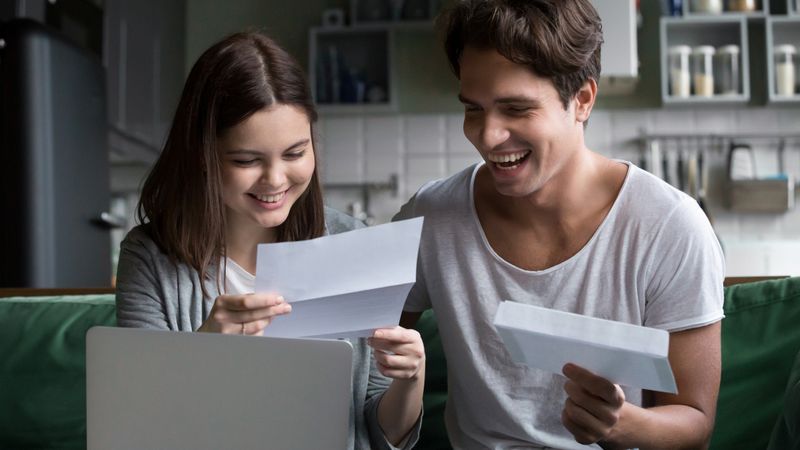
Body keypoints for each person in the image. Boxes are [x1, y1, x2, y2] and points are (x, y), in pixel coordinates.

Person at [396, 1, 724, 449]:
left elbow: (695, 422)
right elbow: (357, 347)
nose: (488, 136)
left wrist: (622, 425)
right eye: (474, 109)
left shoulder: (670, 227)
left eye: (516, 108)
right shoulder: (432, 216)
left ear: (582, 100)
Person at [115, 31, 424, 450]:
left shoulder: (351, 243)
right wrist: (202, 353)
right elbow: (139, 426)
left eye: (295, 154)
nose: (276, 180)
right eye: (246, 160)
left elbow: (372, 428)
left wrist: (410, 382)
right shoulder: (149, 256)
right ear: (202, 156)